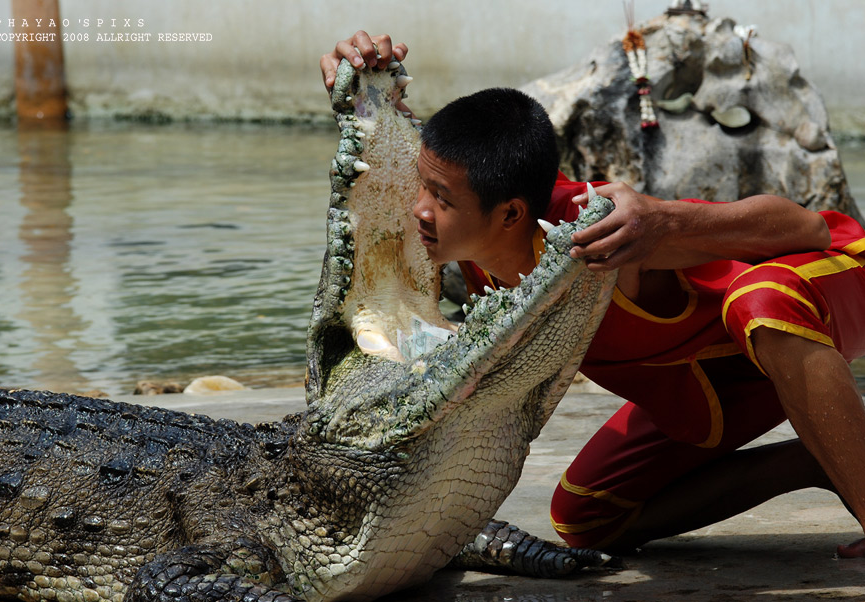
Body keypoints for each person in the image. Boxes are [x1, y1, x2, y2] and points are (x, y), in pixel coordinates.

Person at [320, 31, 865, 558]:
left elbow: (806, 229)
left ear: (511, 214)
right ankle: (825, 458)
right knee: (586, 520)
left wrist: (664, 222)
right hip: (714, 381)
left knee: (758, 298)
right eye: (422, 185)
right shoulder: (464, 233)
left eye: (438, 197)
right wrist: (364, 96)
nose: (418, 208)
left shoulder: (597, 232)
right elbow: (383, 177)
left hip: (823, 291)